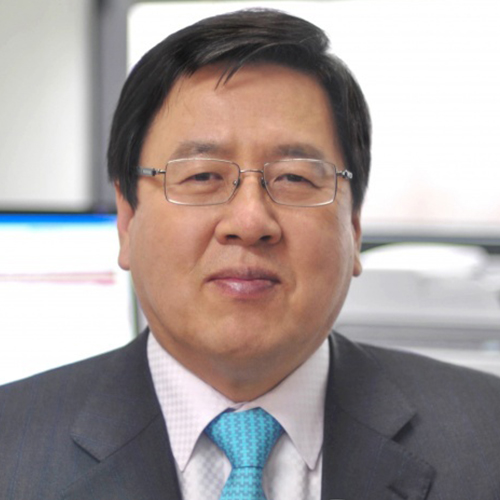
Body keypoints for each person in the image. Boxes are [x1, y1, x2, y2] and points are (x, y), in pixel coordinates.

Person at [1, 9, 499, 500]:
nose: (250, 222)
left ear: (353, 225)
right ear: (127, 219)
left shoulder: (487, 439)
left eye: (295, 178)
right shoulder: (11, 449)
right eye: (202, 176)